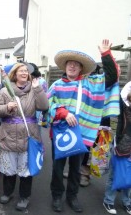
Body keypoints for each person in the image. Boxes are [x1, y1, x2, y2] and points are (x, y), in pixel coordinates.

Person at [48, 39, 119, 213]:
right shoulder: (56, 86)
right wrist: (64, 113)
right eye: (69, 64)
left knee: (76, 169)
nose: (72, 67)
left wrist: (106, 54)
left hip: (82, 134)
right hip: (60, 133)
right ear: (64, 67)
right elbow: (47, 106)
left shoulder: (90, 84)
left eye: (76, 65)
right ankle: (57, 196)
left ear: (81, 69)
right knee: (58, 168)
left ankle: (72, 197)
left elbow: (112, 76)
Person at [0, 62, 49, 211]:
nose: (24, 73)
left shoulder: (34, 90)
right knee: (9, 167)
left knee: (26, 169)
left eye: (26, 71)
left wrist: (38, 89)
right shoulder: (5, 91)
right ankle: (7, 192)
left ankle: (24, 196)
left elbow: (44, 106)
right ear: (15, 74)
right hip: (8, 134)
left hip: (28, 134)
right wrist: (7, 107)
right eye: (21, 71)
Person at [103, 81, 131, 215]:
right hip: (122, 143)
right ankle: (108, 200)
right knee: (116, 173)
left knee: (130, 176)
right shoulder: (124, 102)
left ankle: (127, 202)